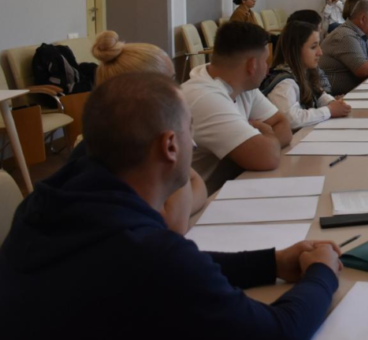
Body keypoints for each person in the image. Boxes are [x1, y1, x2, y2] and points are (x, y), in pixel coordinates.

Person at [0, 72, 343, 340]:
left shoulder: (48, 202)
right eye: (189, 130)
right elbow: (279, 331)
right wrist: (322, 274)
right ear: (169, 146)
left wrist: (271, 263)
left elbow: (184, 267)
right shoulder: (147, 254)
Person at [69, 30, 207, 235]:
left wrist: (181, 210)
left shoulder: (141, 134)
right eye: (171, 81)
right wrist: (181, 134)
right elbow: (174, 226)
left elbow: (199, 185)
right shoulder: (123, 150)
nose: (179, 89)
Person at [181, 22, 292, 191]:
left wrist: (260, 143)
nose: (268, 68)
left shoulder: (243, 85)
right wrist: (267, 134)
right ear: (252, 65)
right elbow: (268, 157)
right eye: (265, 61)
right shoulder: (205, 97)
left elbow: (282, 125)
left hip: (227, 189)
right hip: (200, 203)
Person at [261, 21, 351, 130]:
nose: (320, 52)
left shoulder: (305, 72)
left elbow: (318, 95)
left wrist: (332, 102)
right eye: (313, 47)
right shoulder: (284, 83)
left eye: (319, 45)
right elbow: (291, 119)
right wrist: (329, 110)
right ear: (295, 50)